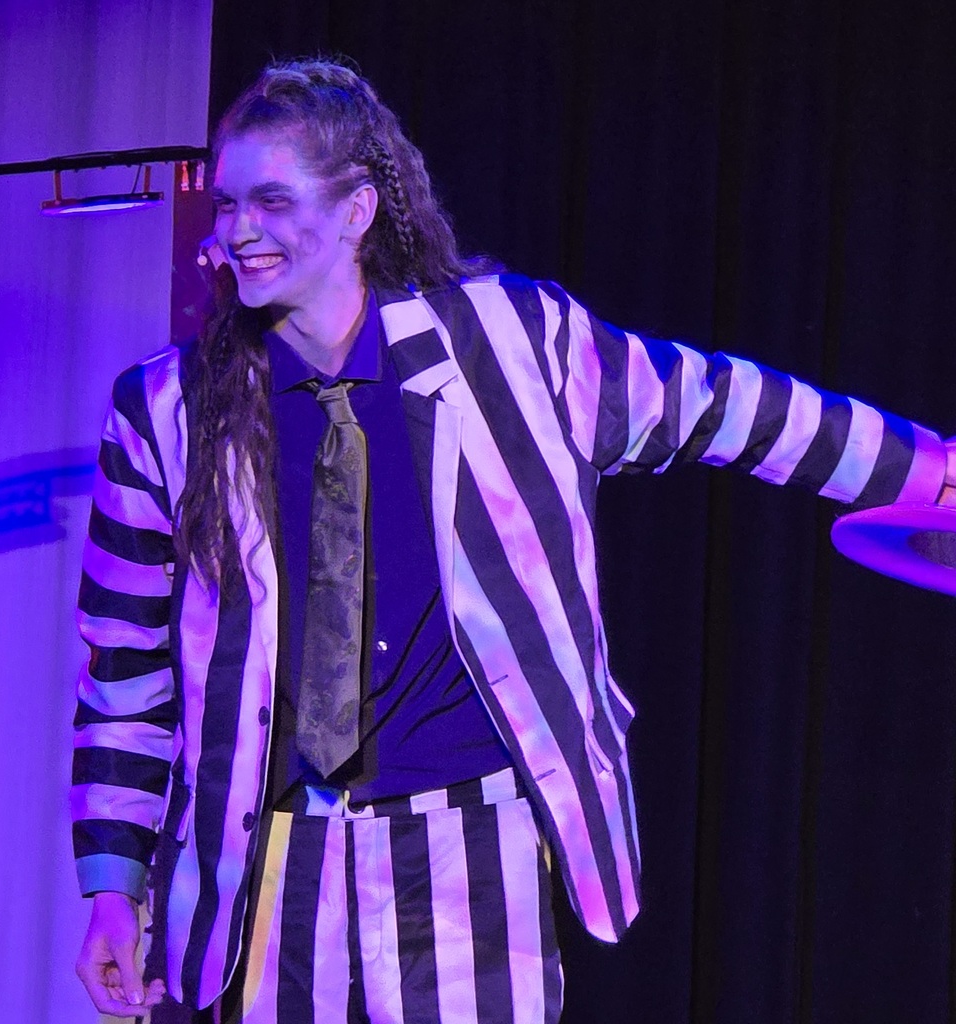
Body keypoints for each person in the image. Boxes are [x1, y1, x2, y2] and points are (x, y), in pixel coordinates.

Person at [72, 58, 956, 1024]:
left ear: (359, 211)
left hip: (470, 851)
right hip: (275, 864)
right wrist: (112, 888)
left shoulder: (511, 347)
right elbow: (123, 668)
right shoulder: (168, 410)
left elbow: (722, 403)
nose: (237, 231)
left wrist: (928, 473)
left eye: (272, 202)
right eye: (230, 203)